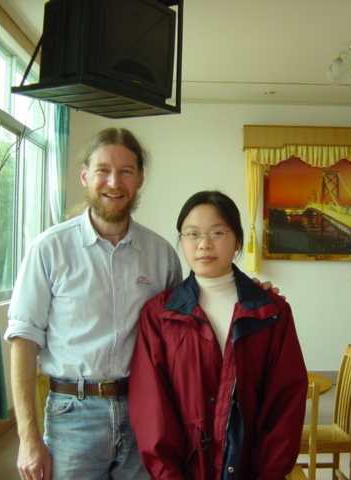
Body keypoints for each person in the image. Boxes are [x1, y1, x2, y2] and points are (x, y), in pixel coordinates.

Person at [4, 128, 183, 480]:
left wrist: (244, 288)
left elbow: (185, 329)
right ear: (85, 175)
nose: (114, 181)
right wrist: (28, 438)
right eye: (102, 169)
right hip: (73, 414)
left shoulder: (161, 254)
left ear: (140, 178)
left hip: (143, 410)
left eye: (126, 171)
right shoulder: (49, 249)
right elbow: (23, 344)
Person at [128, 190, 308, 480]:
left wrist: (269, 473)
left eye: (217, 233)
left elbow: (286, 402)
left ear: (237, 240)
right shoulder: (160, 315)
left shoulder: (271, 311)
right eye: (192, 234)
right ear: (181, 241)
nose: (204, 245)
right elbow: (151, 408)